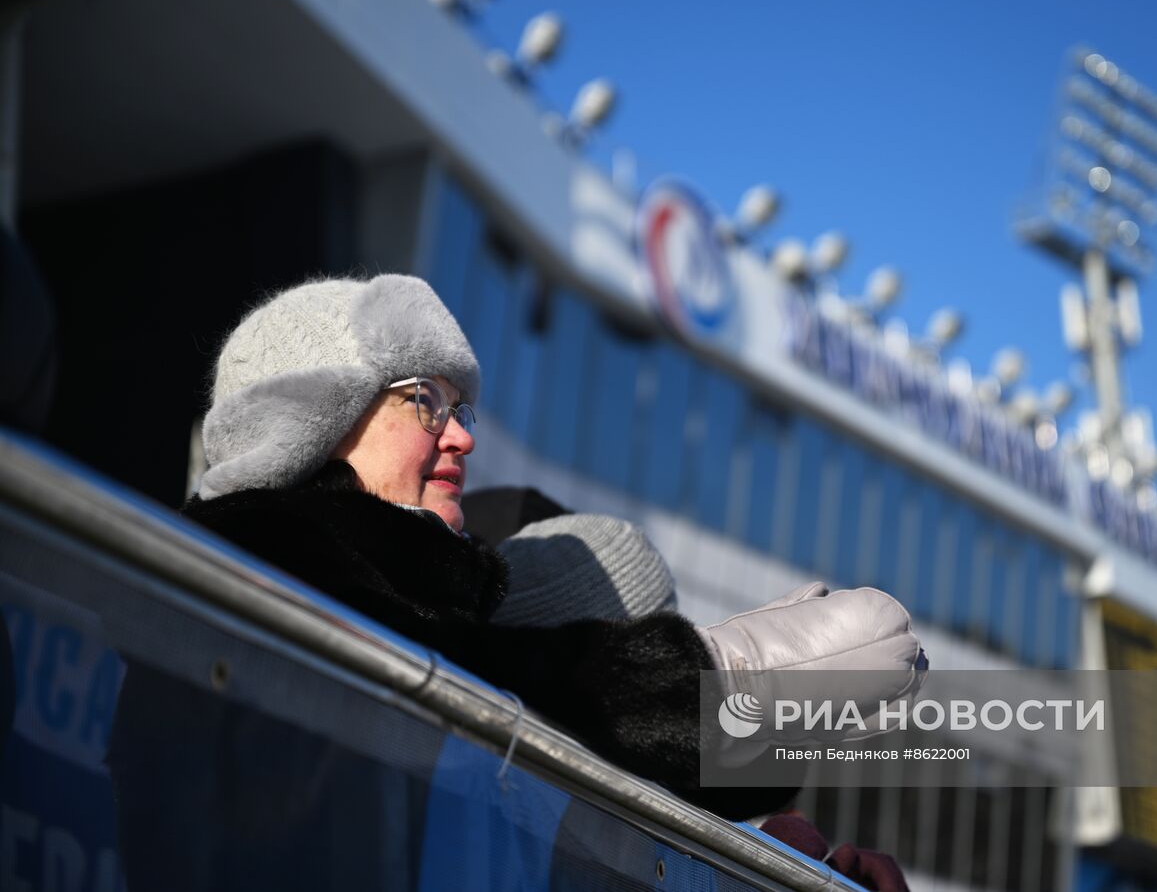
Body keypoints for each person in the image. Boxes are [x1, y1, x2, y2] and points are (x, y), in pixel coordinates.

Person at [181, 272, 922, 810]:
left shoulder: (394, 588)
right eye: (426, 402)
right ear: (315, 416)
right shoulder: (252, 567)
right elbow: (476, 681)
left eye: (461, 405)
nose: (464, 435)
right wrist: (719, 679)